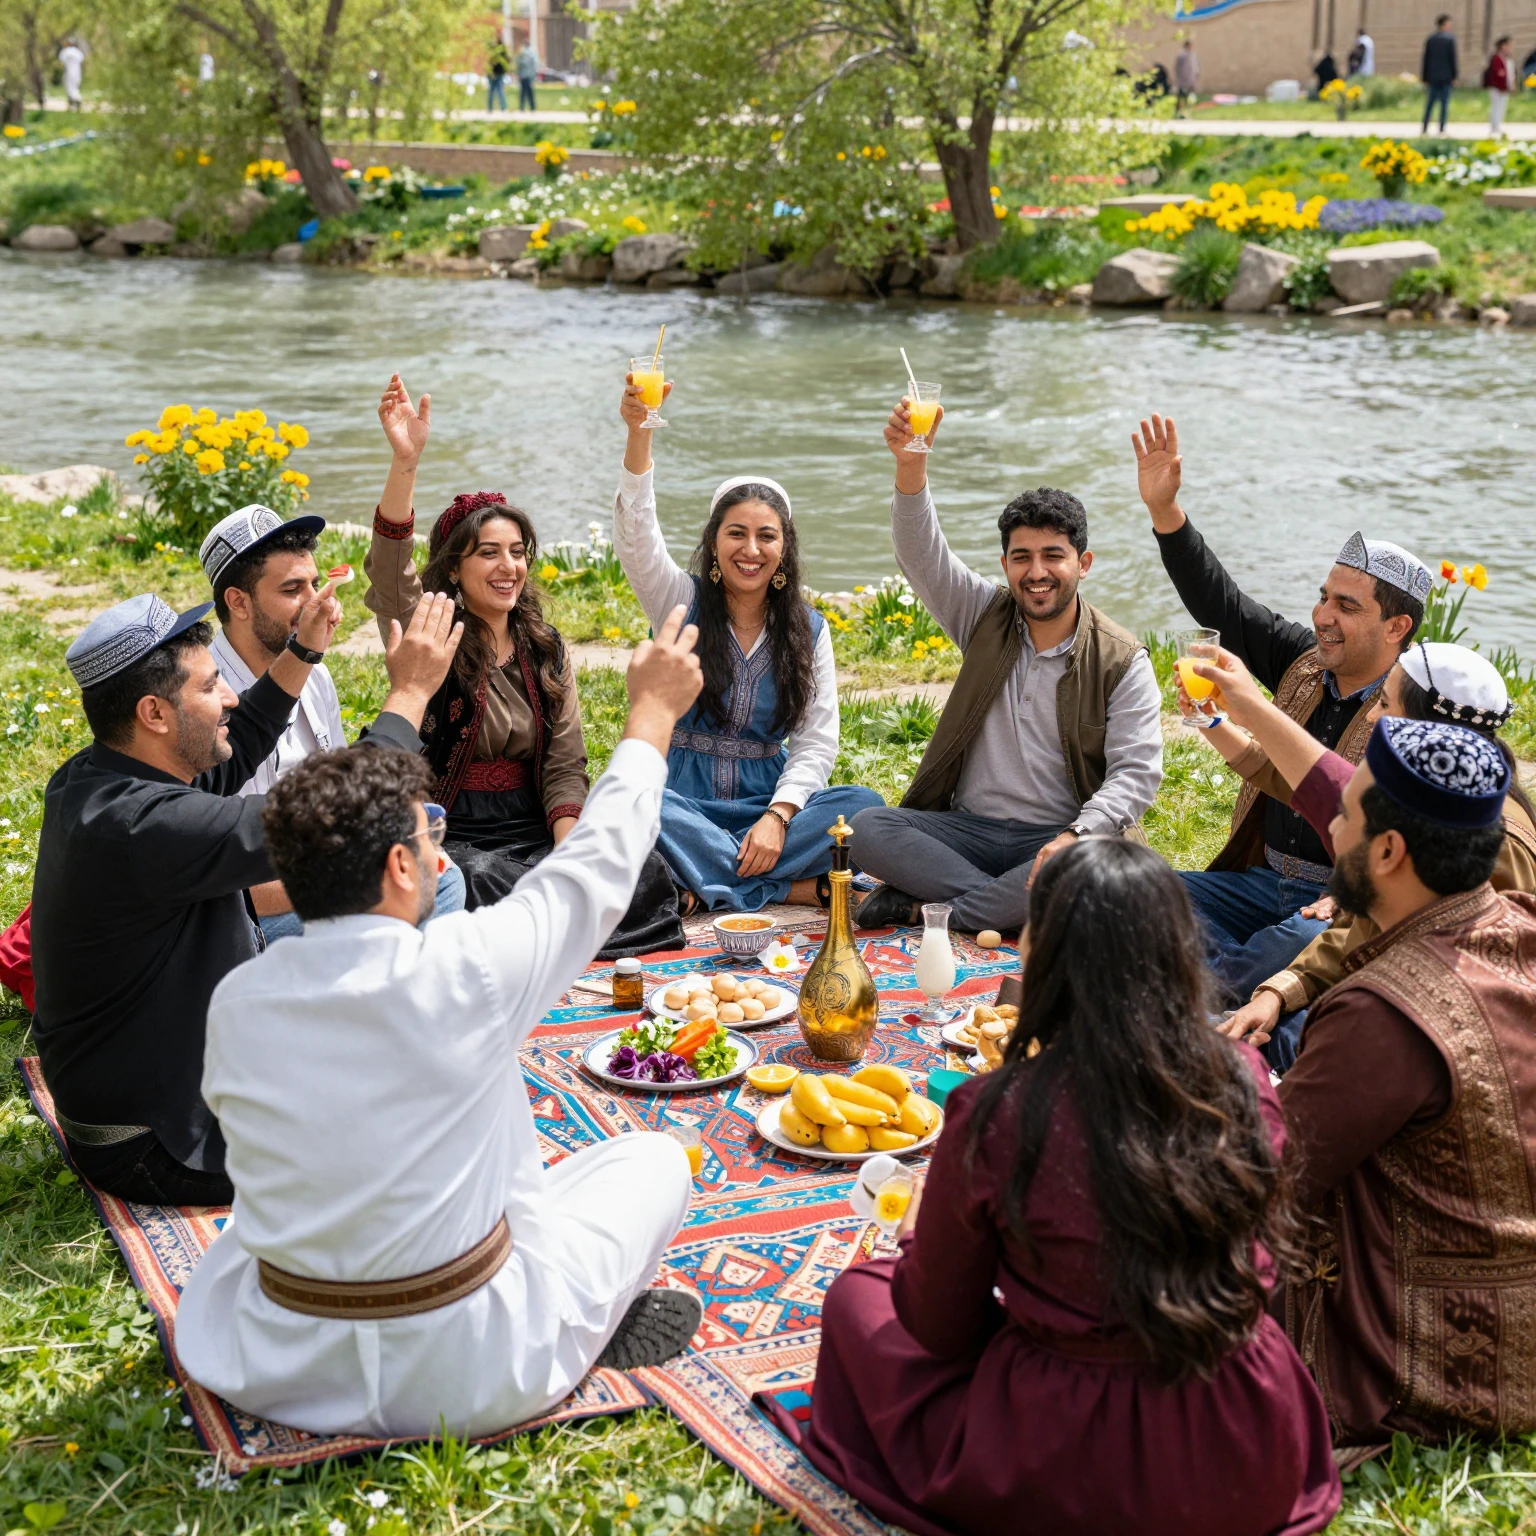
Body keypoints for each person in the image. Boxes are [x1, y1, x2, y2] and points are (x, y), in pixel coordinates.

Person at [176, 607, 708, 1437]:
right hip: (471, 1364)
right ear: (397, 867)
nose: (439, 852)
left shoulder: (235, 1000)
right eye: (430, 837)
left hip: (273, 1359)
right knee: (653, 1162)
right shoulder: (470, 969)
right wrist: (651, 716)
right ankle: (583, 1327)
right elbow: (598, 867)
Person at [777, 839, 1340, 1536]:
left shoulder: (1002, 1109)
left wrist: (920, 1229)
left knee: (860, 1298)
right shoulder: (1246, 1081)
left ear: (1040, 954)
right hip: (1243, 1436)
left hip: (1070, 1451)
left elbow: (938, 1326)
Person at [29, 585, 460, 1205]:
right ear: (155, 714)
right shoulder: (144, 825)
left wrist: (303, 651)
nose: (229, 693)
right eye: (209, 687)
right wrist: (413, 691)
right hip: (160, 1137)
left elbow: (238, 746)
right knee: (417, 1124)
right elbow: (341, 806)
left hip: (165, 1080)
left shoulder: (100, 774)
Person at [1275, 717, 1536, 1445]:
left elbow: (1253, 1180)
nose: (1331, 824)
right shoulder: (1516, 921)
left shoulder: (1380, 1016)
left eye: (1346, 811)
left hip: (1433, 1368)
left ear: (1387, 851)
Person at [364, 373, 683, 954]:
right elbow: (389, 573)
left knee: (646, 869)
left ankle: (550, 921)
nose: (508, 566)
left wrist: (571, 857)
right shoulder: (432, 633)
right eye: (488, 553)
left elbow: (565, 764)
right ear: (454, 569)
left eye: (517, 553)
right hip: (453, 834)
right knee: (476, 878)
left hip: (532, 828)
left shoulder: (545, 647)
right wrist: (405, 462)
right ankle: (555, 925)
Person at [1132, 413, 1427, 1004]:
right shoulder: (1305, 659)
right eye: (1323, 597)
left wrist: (1360, 892)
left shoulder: (1416, 708)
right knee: (1139, 899)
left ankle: (1201, 999)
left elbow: (1423, 843)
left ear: (1396, 626)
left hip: (1338, 900)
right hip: (1259, 880)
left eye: (1346, 605)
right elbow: (1221, 599)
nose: (1323, 616)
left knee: (1274, 953)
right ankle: (1203, 988)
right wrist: (1166, 511)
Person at [851, 399, 1163, 935]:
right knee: (865, 829)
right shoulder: (982, 614)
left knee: (1090, 871)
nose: (1036, 572)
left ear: (1082, 565)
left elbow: (1136, 775)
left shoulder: (1122, 659)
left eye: (1053, 556)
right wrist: (911, 465)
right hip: (966, 829)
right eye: (1021, 557)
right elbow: (921, 555)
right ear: (1005, 565)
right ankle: (1017, 908)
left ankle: (923, 909)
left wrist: (1074, 837)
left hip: (1057, 837)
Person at [1188, 643, 1536, 1071]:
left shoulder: (1498, 839)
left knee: (1296, 1026)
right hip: (1370, 970)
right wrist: (1282, 988)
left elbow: (1467, 977)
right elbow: (1307, 785)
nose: (1371, 716)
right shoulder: (1427, 787)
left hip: (1423, 1026)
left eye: (1385, 704)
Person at [611, 377, 883, 913]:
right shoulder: (677, 599)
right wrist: (638, 434)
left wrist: (778, 817)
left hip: (766, 803)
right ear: (714, 542)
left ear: (785, 546)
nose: (751, 549)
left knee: (865, 809)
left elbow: (816, 741)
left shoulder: (809, 630)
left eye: (767, 535)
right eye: (736, 533)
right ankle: (787, 889)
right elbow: (636, 536)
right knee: (632, 801)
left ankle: (704, 883)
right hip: (682, 800)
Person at [199, 503, 467, 941]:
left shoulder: (314, 673)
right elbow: (240, 886)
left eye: (316, 584)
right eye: (292, 590)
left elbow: (346, 799)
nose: (318, 602)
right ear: (238, 602)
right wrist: (368, 874)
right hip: (254, 911)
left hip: (320, 871)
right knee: (417, 890)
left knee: (442, 874)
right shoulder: (206, 698)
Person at [1422, 13, 1458, 133]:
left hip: (1432, 77)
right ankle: (1441, 128)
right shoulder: (1450, 40)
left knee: (1430, 104)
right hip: (1446, 77)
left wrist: (1425, 77)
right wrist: (1454, 76)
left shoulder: (1431, 40)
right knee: (1444, 104)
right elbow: (1453, 59)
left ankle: (1425, 127)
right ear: (1443, 25)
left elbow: (1426, 59)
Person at [1485, 35, 1514, 135]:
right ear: (1503, 45)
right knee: (1496, 107)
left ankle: (1498, 126)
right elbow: (1497, 73)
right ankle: (1494, 127)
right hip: (1497, 87)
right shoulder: (1496, 58)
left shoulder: (1506, 58)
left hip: (1504, 87)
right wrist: (1500, 86)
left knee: (1502, 107)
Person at [1173, 38, 1199, 115]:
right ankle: (1178, 112)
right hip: (1183, 80)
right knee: (1181, 97)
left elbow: (1195, 67)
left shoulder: (1192, 54)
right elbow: (1177, 68)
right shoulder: (1181, 55)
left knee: (1189, 97)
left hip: (1191, 80)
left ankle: (1187, 112)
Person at [57, 39, 85, 111]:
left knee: (69, 87)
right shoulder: (77, 51)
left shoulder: (65, 51)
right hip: (77, 72)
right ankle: (76, 101)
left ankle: (73, 102)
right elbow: (82, 59)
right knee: (75, 87)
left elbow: (61, 61)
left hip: (68, 71)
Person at [486, 36, 510, 113]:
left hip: (499, 73)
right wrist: (491, 72)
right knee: (493, 91)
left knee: (498, 91)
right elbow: (489, 62)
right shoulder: (493, 50)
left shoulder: (500, 50)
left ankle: (503, 108)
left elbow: (506, 61)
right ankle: (491, 108)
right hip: (493, 73)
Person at [516, 42, 539, 112]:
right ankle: (532, 107)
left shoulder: (521, 54)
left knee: (523, 92)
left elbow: (518, 65)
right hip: (529, 76)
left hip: (523, 76)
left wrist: (518, 75)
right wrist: (534, 77)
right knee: (530, 93)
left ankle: (522, 107)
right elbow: (534, 66)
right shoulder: (532, 54)